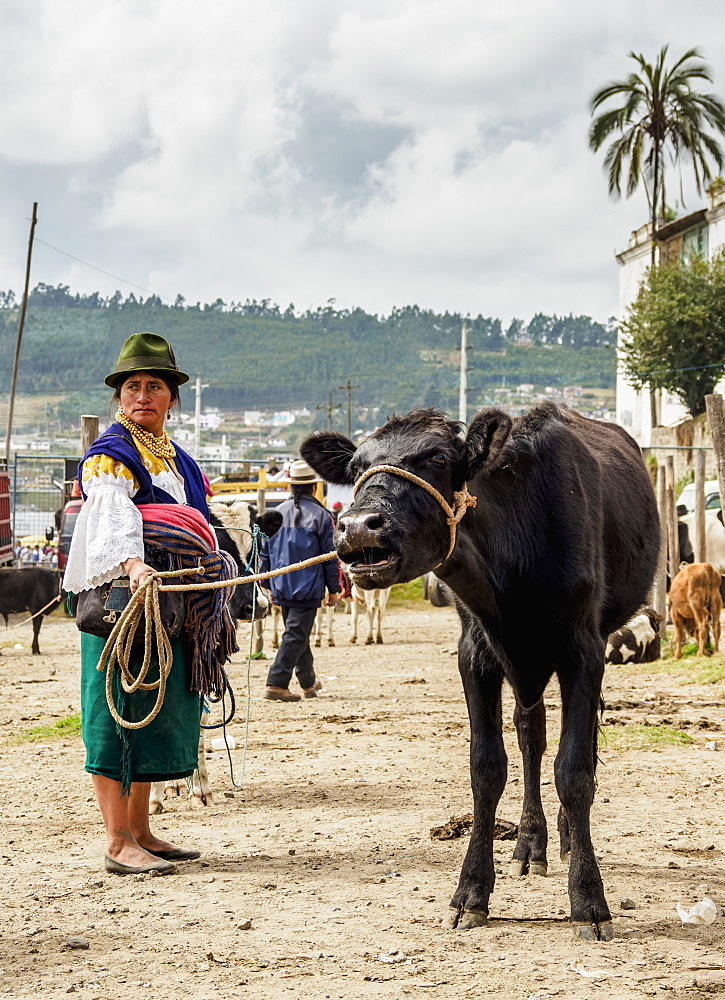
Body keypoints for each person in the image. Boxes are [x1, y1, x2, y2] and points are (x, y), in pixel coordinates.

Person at [63, 332, 238, 876]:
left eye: (154, 386)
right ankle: (117, 842)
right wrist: (134, 564)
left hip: (174, 599)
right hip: (126, 597)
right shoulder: (110, 456)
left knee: (153, 709)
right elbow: (114, 514)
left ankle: (141, 830)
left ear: (171, 398)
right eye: (133, 386)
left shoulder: (179, 461)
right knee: (116, 709)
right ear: (119, 397)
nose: (143, 395)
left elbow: (196, 520)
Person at [260, 460, 340, 702]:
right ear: (314, 487)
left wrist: (267, 584)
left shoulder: (275, 514)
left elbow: (265, 551)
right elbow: (330, 557)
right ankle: (276, 682)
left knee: (297, 634)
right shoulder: (322, 516)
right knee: (295, 635)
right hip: (308, 588)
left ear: (289, 487)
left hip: (281, 585)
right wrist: (334, 589)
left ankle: (308, 682)